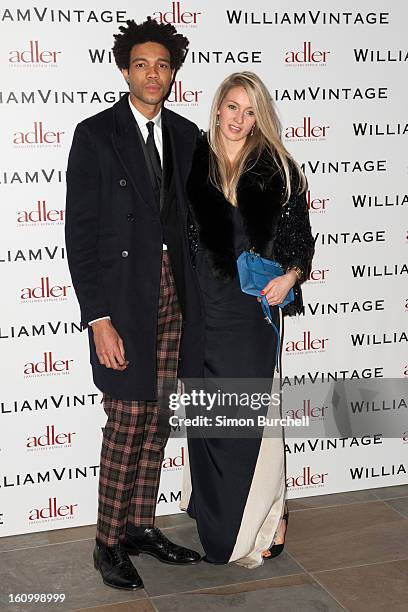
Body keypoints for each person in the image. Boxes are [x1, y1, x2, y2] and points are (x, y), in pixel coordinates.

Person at [65, 17, 202, 591]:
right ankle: (107, 542)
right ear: (126, 70)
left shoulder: (190, 134)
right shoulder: (96, 134)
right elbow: (81, 233)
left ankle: (141, 526)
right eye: (142, 64)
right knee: (126, 422)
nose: (153, 74)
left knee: (160, 417)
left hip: (177, 297)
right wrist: (99, 319)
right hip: (122, 303)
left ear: (172, 75)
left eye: (163, 65)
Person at [180, 72, 315, 568]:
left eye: (250, 111)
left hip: (253, 312)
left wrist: (292, 277)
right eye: (232, 107)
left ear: (260, 117)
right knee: (211, 419)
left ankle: (269, 516)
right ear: (217, 109)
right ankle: (216, 517)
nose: (240, 119)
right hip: (203, 311)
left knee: (257, 420)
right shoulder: (194, 164)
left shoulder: (279, 169)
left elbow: (301, 241)